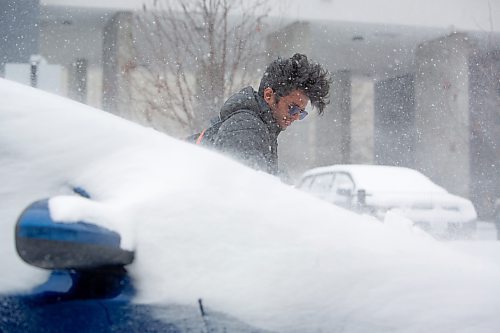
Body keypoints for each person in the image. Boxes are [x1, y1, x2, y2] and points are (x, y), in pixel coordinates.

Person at [191, 53, 331, 176]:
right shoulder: (246, 128)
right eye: (293, 108)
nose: (295, 117)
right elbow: (248, 192)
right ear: (269, 95)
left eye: (301, 113)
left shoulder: (260, 128)